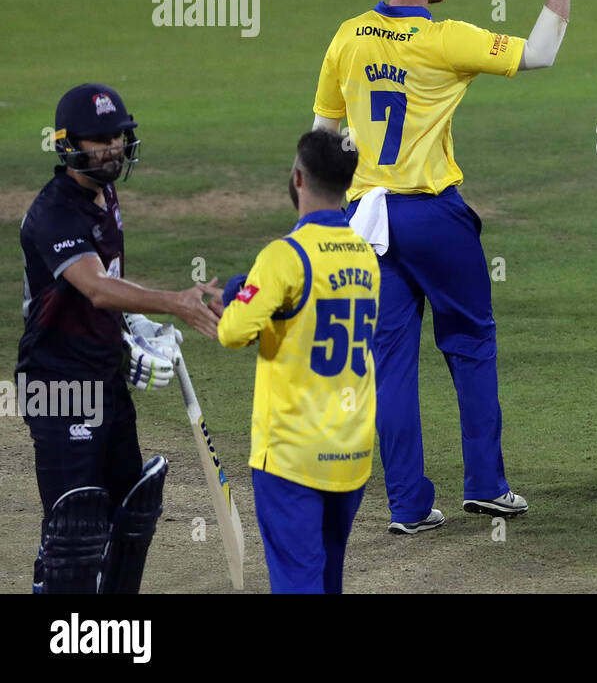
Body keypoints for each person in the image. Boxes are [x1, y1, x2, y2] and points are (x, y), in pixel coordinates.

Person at [312, 0, 595, 532]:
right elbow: (540, 52)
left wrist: (317, 229)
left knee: (389, 365)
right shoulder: (447, 40)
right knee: (471, 345)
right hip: (432, 217)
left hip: (363, 221)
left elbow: (319, 140)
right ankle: (488, 486)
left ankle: (409, 507)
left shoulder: (348, 38)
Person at [18, 83, 222, 592]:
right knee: (75, 529)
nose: (112, 147)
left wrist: (136, 326)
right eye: (98, 139)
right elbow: (96, 288)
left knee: (130, 514)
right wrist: (173, 302)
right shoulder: (54, 212)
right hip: (59, 386)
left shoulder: (105, 194)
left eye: (117, 135)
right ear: (68, 144)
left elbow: (109, 282)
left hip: (105, 378)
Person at [215, 130, 377, 593]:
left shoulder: (284, 256)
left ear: (299, 178)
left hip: (292, 457)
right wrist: (248, 293)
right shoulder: (365, 255)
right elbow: (309, 315)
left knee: (296, 581)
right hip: (350, 453)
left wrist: (237, 298)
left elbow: (232, 332)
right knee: (327, 579)